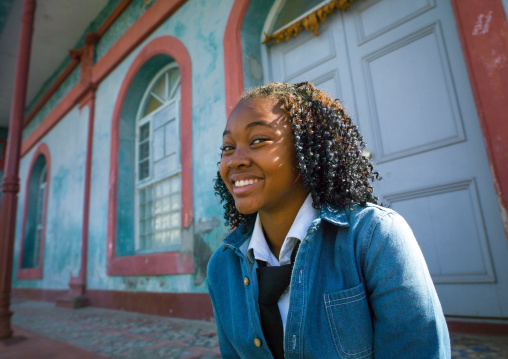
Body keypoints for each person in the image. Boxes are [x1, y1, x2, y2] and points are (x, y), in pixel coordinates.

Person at [207, 82, 450, 358]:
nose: (235, 161)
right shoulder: (222, 268)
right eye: (227, 147)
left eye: (258, 140)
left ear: (307, 148)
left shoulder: (374, 238)